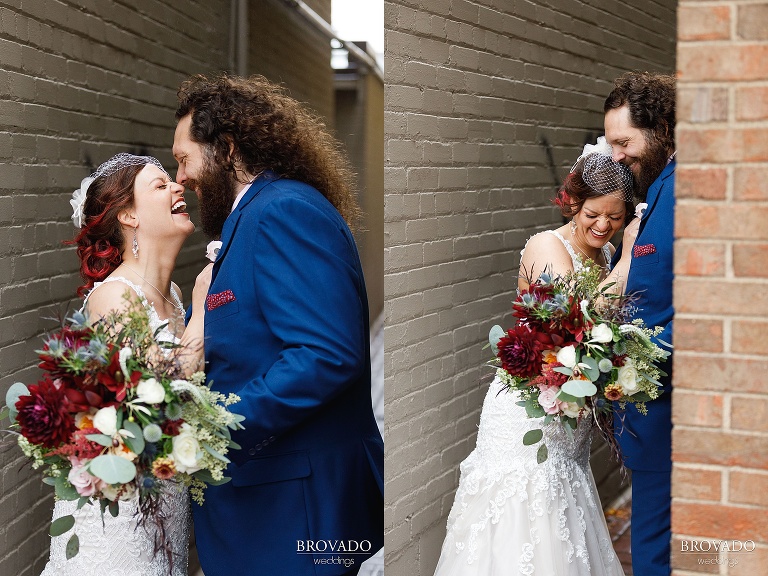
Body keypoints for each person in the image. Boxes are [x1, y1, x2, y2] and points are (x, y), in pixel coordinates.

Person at [172, 74, 384, 576]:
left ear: (225, 148)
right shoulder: (252, 218)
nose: (181, 178)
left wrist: (216, 429)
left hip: (297, 513)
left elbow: (326, 354)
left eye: (184, 159)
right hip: (272, 506)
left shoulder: (282, 211)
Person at [432, 140, 639, 576]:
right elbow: (575, 319)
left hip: (569, 420)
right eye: (593, 213)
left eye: (616, 218)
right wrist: (628, 260)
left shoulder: (602, 253)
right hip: (526, 417)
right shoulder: (547, 246)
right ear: (572, 204)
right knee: (524, 520)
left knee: (562, 526)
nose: (604, 225)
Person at [41, 153, 210, 575]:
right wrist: (205, 305)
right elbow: (171, 379)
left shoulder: (170, 292)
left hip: (162, 505)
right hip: (114, 519)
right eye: (160, 185)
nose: (178, 187)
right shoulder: (113, 296)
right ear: (129, 215)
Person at [604, 71, 676, 576]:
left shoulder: (686, 192)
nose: (616, 156)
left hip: (667, 402)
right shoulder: (658, 192)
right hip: (646, 409)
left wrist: (643, 368)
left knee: (656, 547)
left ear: (662, 128)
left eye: (623, 142)